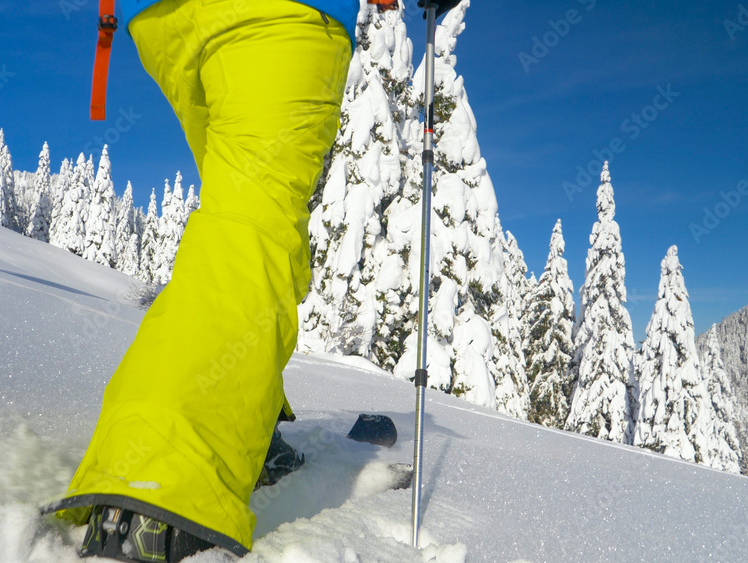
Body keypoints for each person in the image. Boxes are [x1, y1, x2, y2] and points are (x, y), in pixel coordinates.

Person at [44, 0, 459, 561]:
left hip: (177, 25)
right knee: (251, 238)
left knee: (249, 225)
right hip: (276, 19)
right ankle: (157, 479)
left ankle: (245, 435)